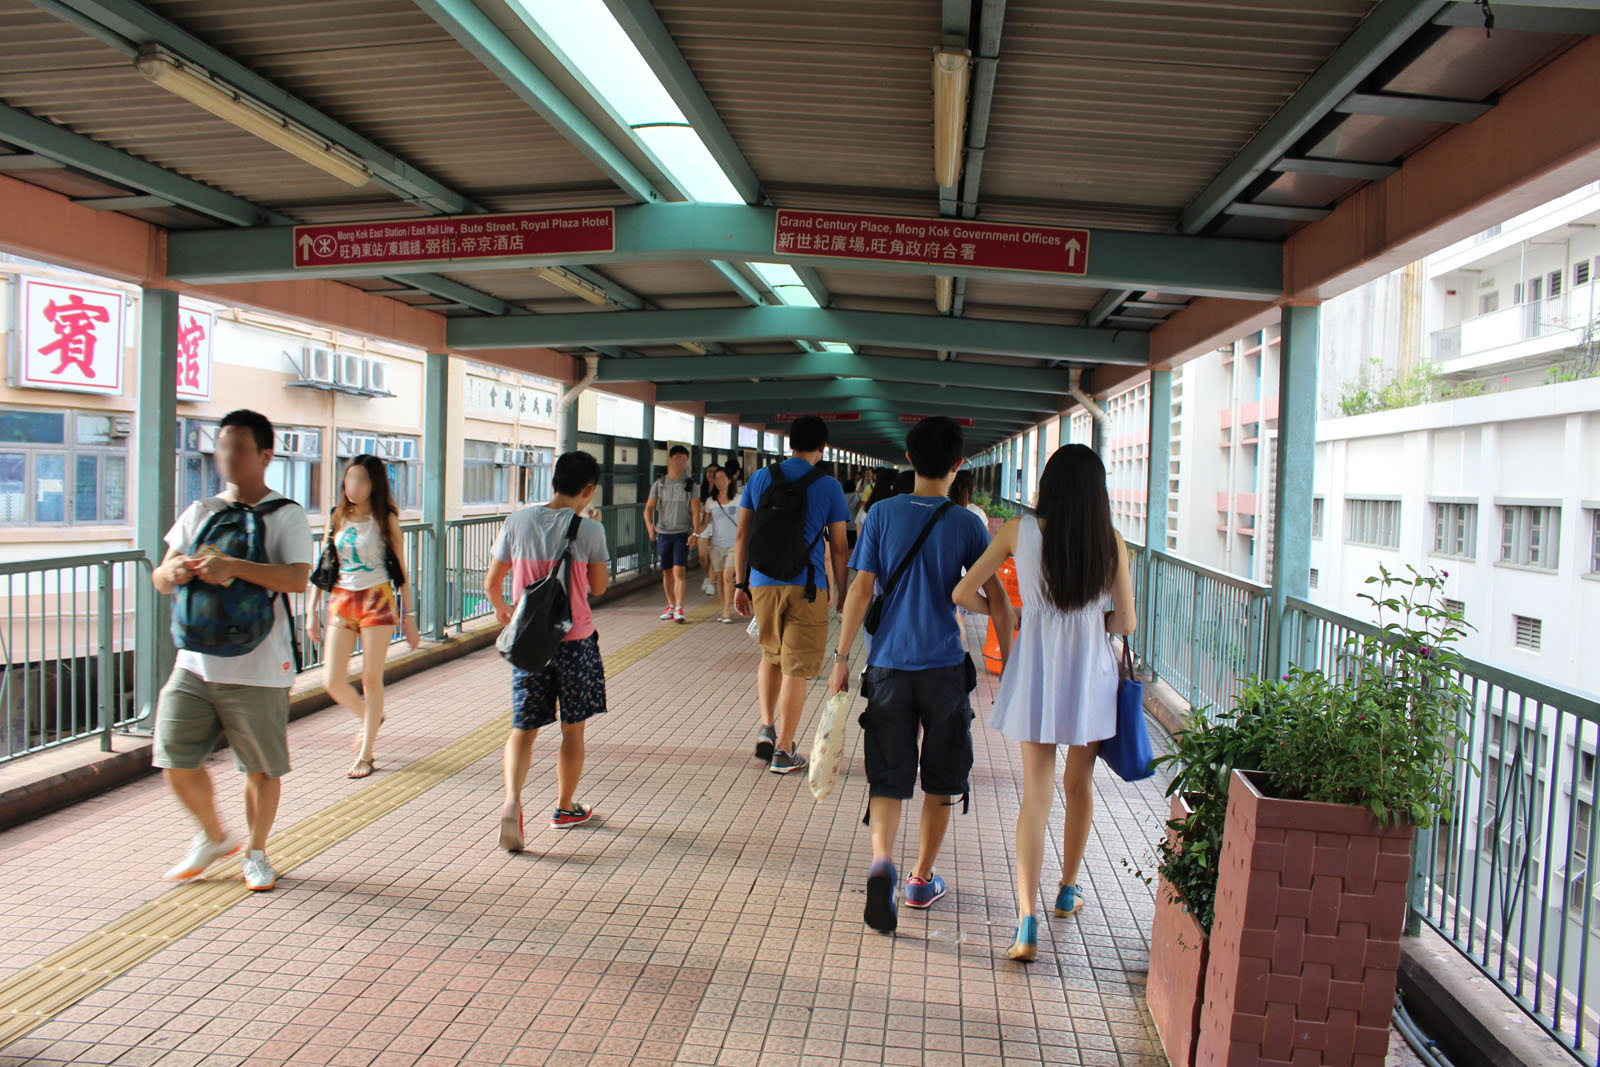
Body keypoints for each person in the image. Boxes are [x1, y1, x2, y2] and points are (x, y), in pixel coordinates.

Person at [829, 418, 1014, 933]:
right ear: (958, 465)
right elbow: (995, 598)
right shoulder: (967, 524)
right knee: (940, 778)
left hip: (888, 665)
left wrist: (843, 657)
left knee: (888, 774)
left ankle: (882, 861)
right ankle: (920, 878)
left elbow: (861, 589)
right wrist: (1012, 658)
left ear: (910, 459)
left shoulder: (882, 514)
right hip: (943, 670)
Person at [953, 444, 1137, 962]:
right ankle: (1067, 889)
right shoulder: (1111, 543)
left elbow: (963, 592)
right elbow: (1125, 622)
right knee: (1078, 785)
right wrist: (1088, 625)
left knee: (1036, 795)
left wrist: (1009, 612)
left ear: (1048, 487)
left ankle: (1026, 919)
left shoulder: (1017, 532)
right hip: (1090, 680)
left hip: (1036, 669)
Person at [150, 409, 314, 892]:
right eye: (221, 445)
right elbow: (160, 578)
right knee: (174, 756)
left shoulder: (285, 514)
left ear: (266, 455)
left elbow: (297, 579)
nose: (226, 456)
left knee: (261, 767)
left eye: (238, 447)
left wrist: (234, 566)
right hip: (196, 661)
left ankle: (257, 851)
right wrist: (176, 572)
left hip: (260, 664)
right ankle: (214, 835)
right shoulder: (200, 511)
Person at [485, 451, 612, 851]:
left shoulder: (517, 521)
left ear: (554, 480)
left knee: (524, 727)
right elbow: (600, 587)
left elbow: (492, 583)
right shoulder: (589, 530)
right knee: (572, 730)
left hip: (531, 645)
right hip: (575, 641)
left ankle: (511, 801)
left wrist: (504, 611)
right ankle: (564, 807)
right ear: (588, 490)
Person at [733, 415, 850, 775]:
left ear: (790, 443)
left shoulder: (761, 478)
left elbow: (742, 536)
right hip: (808, 585)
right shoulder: (829, 486)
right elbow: (840, 548)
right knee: (796, 667)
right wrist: (842, 593)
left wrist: (740, 584)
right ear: (823, 447)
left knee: (771, 655)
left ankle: (766, 723)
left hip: (763, 582)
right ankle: (784, 749)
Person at [306, 455, 420, 779]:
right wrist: (311, 611)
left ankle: (366, 753)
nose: (353, 487)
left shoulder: (386, 519)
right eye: (350, 478)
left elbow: (402, 571)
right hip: (341, 599)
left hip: (377, 599)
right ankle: (373, 717)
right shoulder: (337, 515)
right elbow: (324, 562)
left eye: (361, 480)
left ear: (375, 485)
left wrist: (408, 616)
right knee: (332, 680)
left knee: (371, 678)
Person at [644, 445, 698, 624]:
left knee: (679, 570)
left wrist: (696, 533)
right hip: (664, 533)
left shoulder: (691, 485)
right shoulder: (660, 484)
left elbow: (696, 510)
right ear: (670, 460)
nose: (680, 463)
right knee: (666, 571)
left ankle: (679, 607)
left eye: (684, 460)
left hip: (682, 533)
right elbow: (648, 509)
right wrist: (650, 526)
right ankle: (670, 604)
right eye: (677, 459)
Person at [698, 468, 742, 622]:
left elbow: (744, 522)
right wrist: (695, 534)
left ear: (729, 480)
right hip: (716, 545)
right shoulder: (710, 502)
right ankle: (725, 608)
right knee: (720, 578)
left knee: (728, 576)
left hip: (734, 545)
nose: (719, 481)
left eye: (722, 477)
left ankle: (727, 612)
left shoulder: (739, 499)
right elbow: (705, 523)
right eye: (716, 478)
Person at [697, 463, 722, 596]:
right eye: (708, 471)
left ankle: (711, 583)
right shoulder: (700, 489)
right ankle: (708, 576)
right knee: (702, 555)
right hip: (703, 524)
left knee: (713, 554)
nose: (710, 474)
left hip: (717, 524)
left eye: (713, 472)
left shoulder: (721, 490)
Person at [842, 478, 861, 549]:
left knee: (844, 547)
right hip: (853, 526)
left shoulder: (841, 497)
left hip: (843, 526)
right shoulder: (857, 497)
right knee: (852, 548)